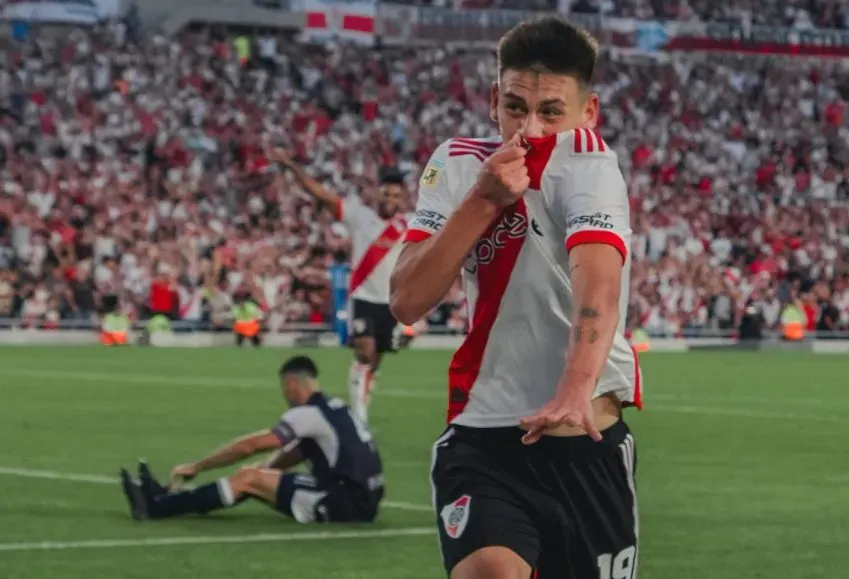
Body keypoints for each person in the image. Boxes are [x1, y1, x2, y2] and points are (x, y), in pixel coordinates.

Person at [390, 17, 641, 579]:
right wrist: (482, 201)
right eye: (514, 106)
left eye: (550, 111)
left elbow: (597, 277)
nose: (528, 127)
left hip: (586, 444)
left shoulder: (590, 165)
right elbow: (407, 299)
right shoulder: (456, 163)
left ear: (587, 112)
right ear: (492, 100)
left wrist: (576, 388)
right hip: (485, 441)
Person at [119, 355, 384, 524]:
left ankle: (156, 508)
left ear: (292, 384)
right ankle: (165, 498)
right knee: (251, 477)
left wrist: (198, 466)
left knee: (249, 478)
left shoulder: (307, 414)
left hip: (344, 503)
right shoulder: (335, 408)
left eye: (284, 387)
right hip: (361, 497)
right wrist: (258, 473)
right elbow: (291, 456)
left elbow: (251, 445)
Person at [271, 151, 412, 425]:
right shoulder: (359, 215)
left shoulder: (408, 225)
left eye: (396, 196)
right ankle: (359, 417)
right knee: (364, 350)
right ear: (377, 193)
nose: (390, 200)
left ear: (403, 199)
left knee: (374, 362)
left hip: (390, 302)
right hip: (362, 297)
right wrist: (292, 166)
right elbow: (321, 194)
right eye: (386, 194)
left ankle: (362, 401)